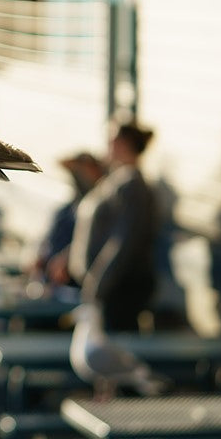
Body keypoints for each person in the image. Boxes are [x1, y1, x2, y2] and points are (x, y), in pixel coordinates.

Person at [64, 121, 159, 332]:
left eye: (111, 140)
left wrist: (98, 284)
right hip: (109, 289)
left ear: (122, 144)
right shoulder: (115, 179)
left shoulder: (133, 185)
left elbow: (123, 241)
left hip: (120, 289)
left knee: (113, 351)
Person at [29, 152, 107, 284]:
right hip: (50, 283)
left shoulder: (100, 208)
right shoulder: (65, 210)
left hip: (77, 282)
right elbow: (47, 239)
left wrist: (67, 259)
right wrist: (39, 257)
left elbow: (94, 239)